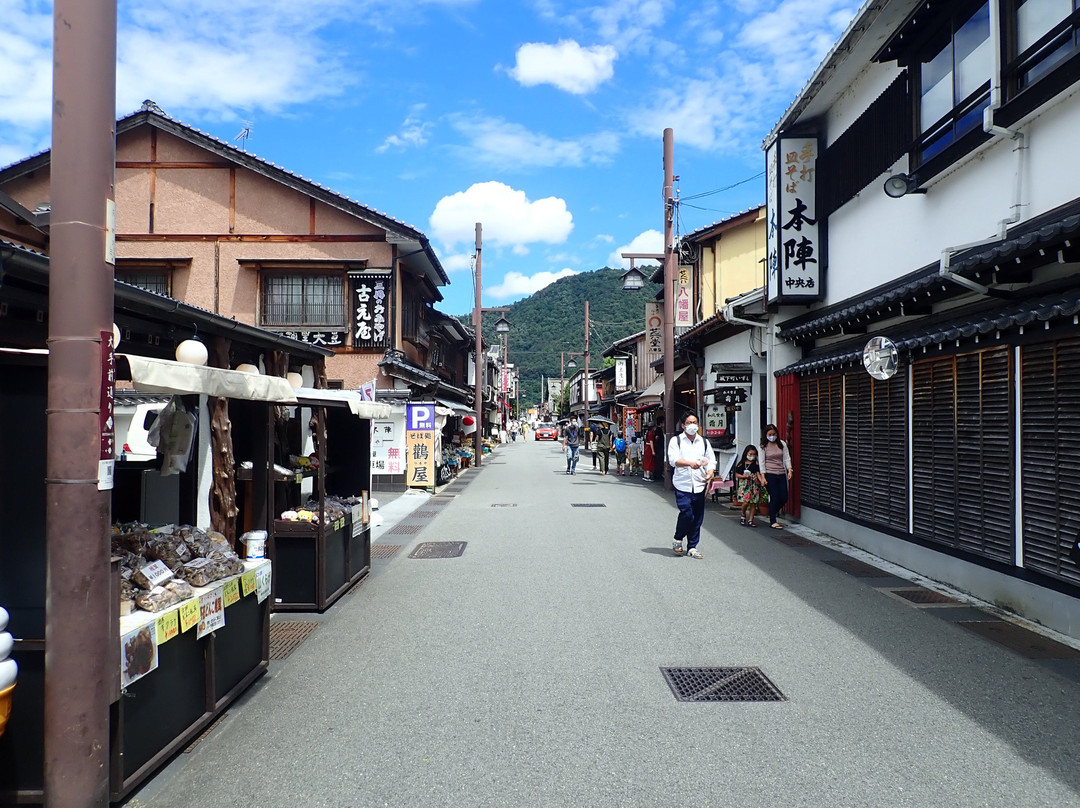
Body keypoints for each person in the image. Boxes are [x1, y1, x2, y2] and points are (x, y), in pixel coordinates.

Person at [668, 414, 716, 559]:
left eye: (694, 422)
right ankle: (678, 538)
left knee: (697, 517)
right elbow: (673, 460)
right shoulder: (676, 441)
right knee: (687, 513)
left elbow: (711, 460)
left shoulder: (704, 442)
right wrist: (689, 463)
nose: (692, 425)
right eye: (689, 422)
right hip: (683, 484)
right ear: (683, 425)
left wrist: (710, 473)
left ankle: (692, 547)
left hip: (700, 484)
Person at [761, 423, 793, 529]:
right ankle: (773, 521)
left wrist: (789, 469)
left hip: (781, 473)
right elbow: (762, 462)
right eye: (770, 434)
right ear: (766, 435)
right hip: (770, 474)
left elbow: (786, 458)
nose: (772, 436)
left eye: (774, 434)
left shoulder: (782, 444)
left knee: (784, 497)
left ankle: (772, 512)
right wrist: (763, 477)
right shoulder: (763, 446)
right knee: (774, 497)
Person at [734, 445, 767, 527]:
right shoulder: (741, 463)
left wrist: (762, 480)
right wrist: (744, 476)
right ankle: (743, 514)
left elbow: (758, 474)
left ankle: (751, 520)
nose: (752, 456)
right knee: (745, 502)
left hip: (754, 485)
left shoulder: (756, 464)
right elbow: (737, 474)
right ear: (746, 453)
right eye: (750, 454)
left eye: (754, 454)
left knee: (753, 503)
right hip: (745, 485)